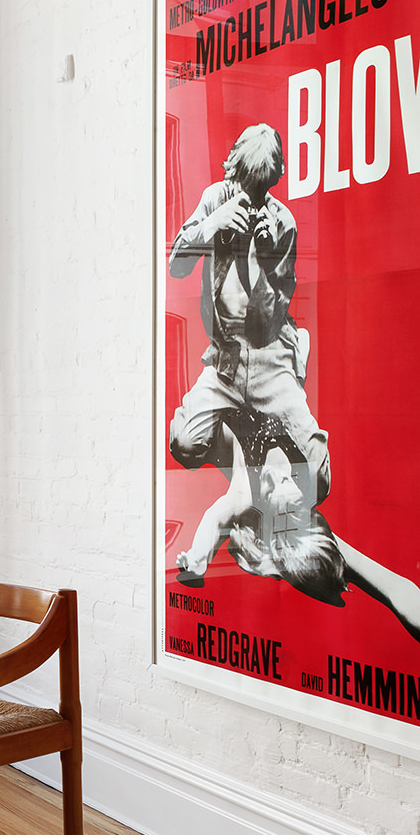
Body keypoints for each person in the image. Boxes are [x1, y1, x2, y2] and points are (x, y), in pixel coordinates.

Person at [167, 124, 329, 502]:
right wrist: (210, 225)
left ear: (273, 181)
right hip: (226, 357)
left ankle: (290, 367)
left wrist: (268, 262)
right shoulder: (215, 199)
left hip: (270, 356)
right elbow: (175, 266)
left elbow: (267, 322)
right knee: (184, 444)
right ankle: (247, 438)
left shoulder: (282, 222)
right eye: (245, 185)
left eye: (261, 190)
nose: (251, 199)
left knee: (318, 480)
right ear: (233, 170)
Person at [177, 413, 420, 643]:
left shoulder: (245, 498)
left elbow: (215, 519)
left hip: (229, 392)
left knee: (183, 443)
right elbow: (394, 587)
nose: (277, 478)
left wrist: (196, 564)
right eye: (296, 510)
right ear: (311, 514)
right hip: (267, 382)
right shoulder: (313, 492)